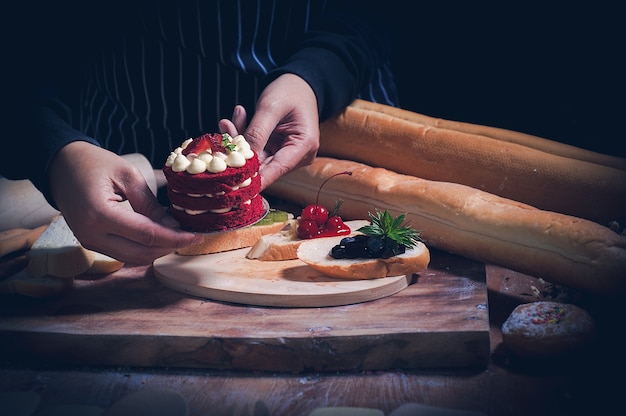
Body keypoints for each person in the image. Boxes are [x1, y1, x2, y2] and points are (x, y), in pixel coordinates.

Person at [1, 0, 398, 264]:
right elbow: (25, 29)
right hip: (121, 142)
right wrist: (51, 146)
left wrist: (315, 76)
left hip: (329, 117)